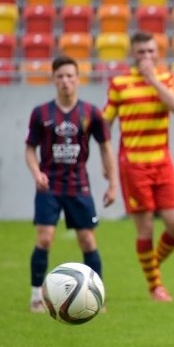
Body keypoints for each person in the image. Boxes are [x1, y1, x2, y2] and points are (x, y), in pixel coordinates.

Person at [25, 55, 118, 313]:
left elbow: (105, 147)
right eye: (60, 76)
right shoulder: (41, 113)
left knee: (87, 240)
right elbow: (29, 149)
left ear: (77, 79)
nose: (65, 81)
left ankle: (96, 297)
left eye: (70, 76)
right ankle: (36, 297)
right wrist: (36, 173)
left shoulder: (91, 113)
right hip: (49, 186)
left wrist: (112, 183)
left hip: (79, 185)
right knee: (44, 238)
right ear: (53, 80)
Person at [103, 31, 174, 302]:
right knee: (146, 229)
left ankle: (151, 267)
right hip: (133, 166)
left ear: (158, 53)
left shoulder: (168, 78)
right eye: (141, 52)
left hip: (162, 162)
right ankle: (155, 287)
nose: (147, 57)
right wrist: (106, 164)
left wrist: (152, 80)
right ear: (133, 55)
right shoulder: (119, 83)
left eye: (151, 51)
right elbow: (105, 124)